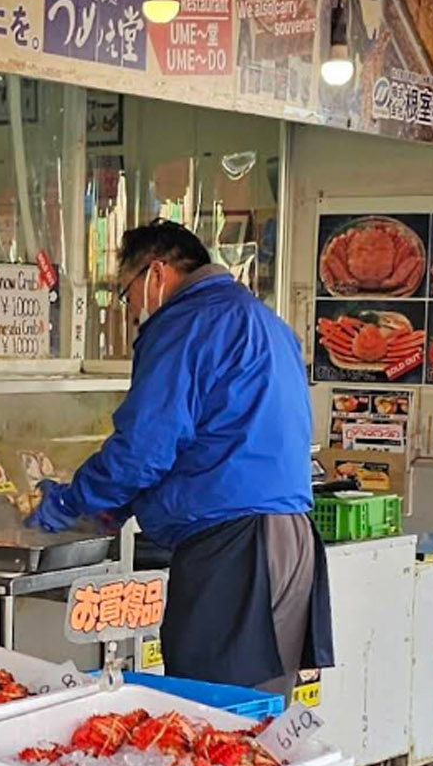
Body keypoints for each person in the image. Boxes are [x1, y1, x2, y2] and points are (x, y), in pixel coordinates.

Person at [26, 219, 332, 697]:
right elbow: (210, 433)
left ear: (157, 272)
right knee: (258, 709)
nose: (130, 310)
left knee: (211, 710)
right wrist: (117, 505)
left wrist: (72, 502)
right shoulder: (264, 322)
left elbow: (145, 448)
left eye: (126, 293)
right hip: (289, 537)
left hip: (236, 546)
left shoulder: (186, 324)